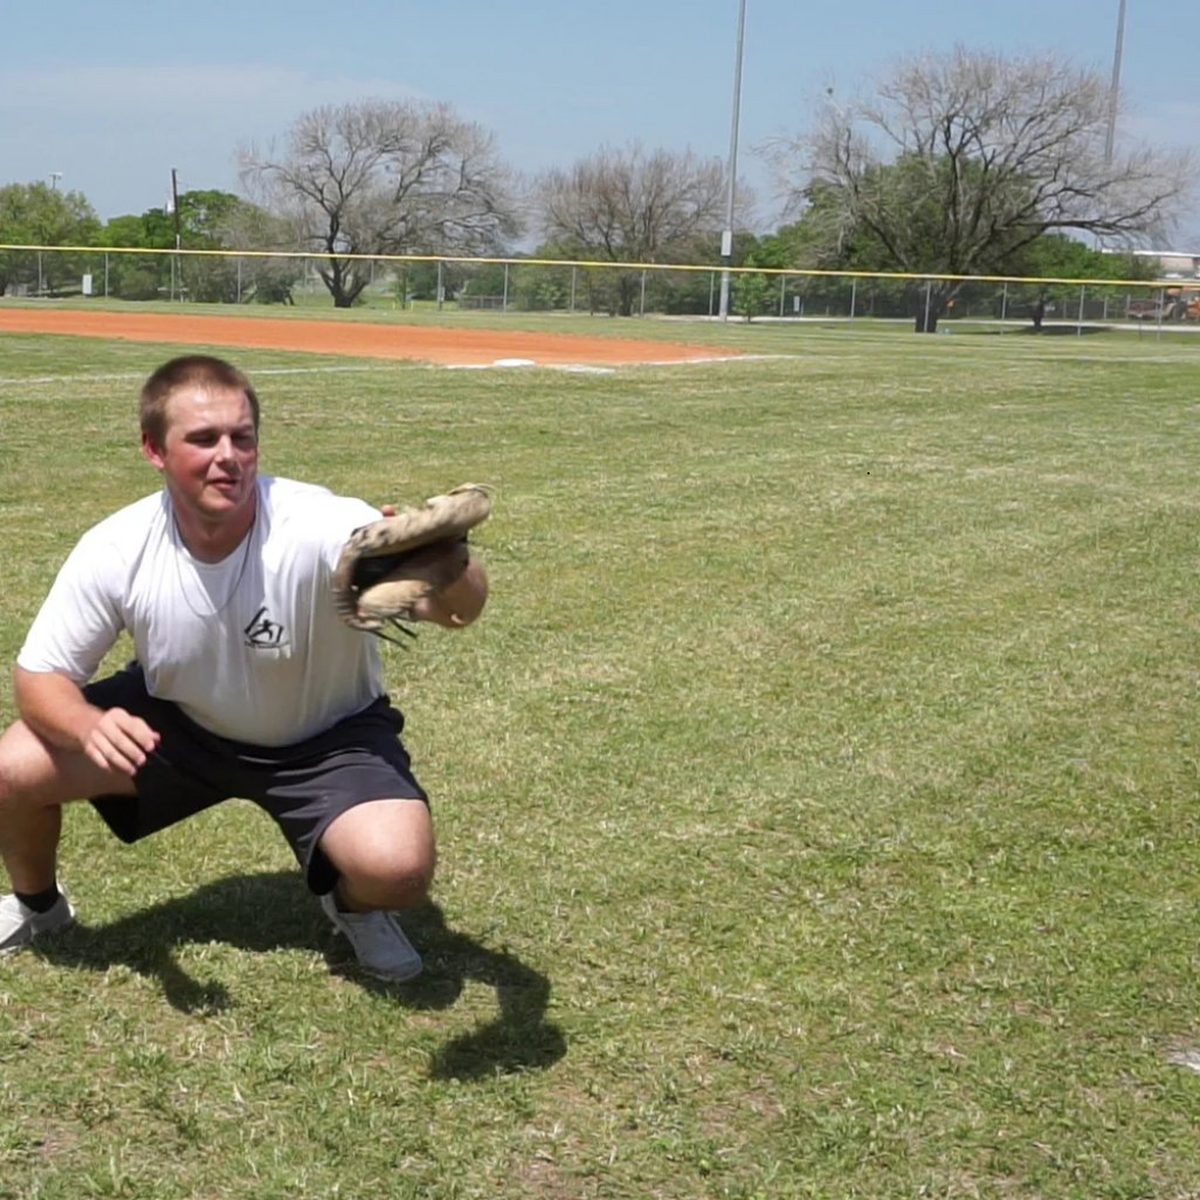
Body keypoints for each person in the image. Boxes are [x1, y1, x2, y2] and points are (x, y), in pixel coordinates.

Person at [0, 354, 487, 981]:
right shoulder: (117, 547)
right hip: (179, 728)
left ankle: (351, 902)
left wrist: (450, 558)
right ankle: (39, 907)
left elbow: (459, 611)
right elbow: (39, 678)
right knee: (13, 765)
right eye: (203, 439)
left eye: (242, 437)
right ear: (154, 449)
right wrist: (87, 728)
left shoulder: (322, 525)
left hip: (326, 738)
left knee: (398, 869)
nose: (227, 455)